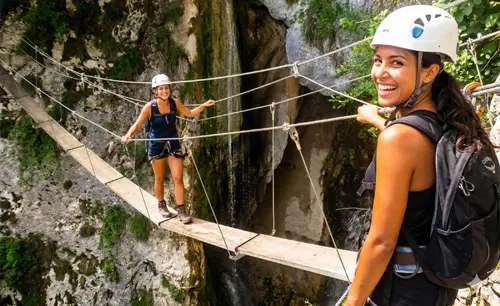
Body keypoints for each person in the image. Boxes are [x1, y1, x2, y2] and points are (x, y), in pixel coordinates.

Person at [345, 5, 493, 306]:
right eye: (378, 60)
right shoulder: (448, 118)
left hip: (399, 291)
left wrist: (353, 302)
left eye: (396, 62)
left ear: (430, 71)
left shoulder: (398, 139)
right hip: (434, 284)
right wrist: (377, 120)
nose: (379, 73)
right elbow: (418, 148)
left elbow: (382, 241)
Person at [121, 74, 215, 224]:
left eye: (166, 88)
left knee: (178, 177)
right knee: (159, 178)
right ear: (155, 91)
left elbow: (189, 113)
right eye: (161, 89)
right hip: (156, 145)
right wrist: (128, 135)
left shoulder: (174, 103)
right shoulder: (149, 107)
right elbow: (138, 124)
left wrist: (204, 105)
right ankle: (161, 204)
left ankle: (181, 210)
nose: (164, 91)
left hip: (173, 143)